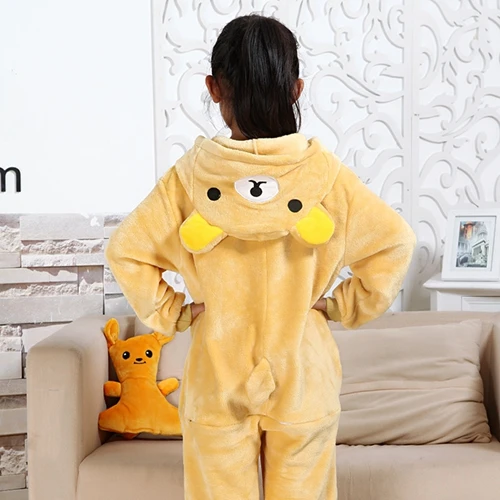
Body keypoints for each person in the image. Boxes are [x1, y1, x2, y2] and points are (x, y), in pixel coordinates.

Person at [105, 14, 416, 500]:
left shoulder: (190, 179)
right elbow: (395, 242)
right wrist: (340, 305)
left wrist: (174, 312)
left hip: (217, 375)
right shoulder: (326, 177)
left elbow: (126, 251)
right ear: (296, 89)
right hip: (303, 374)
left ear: (213, 88)